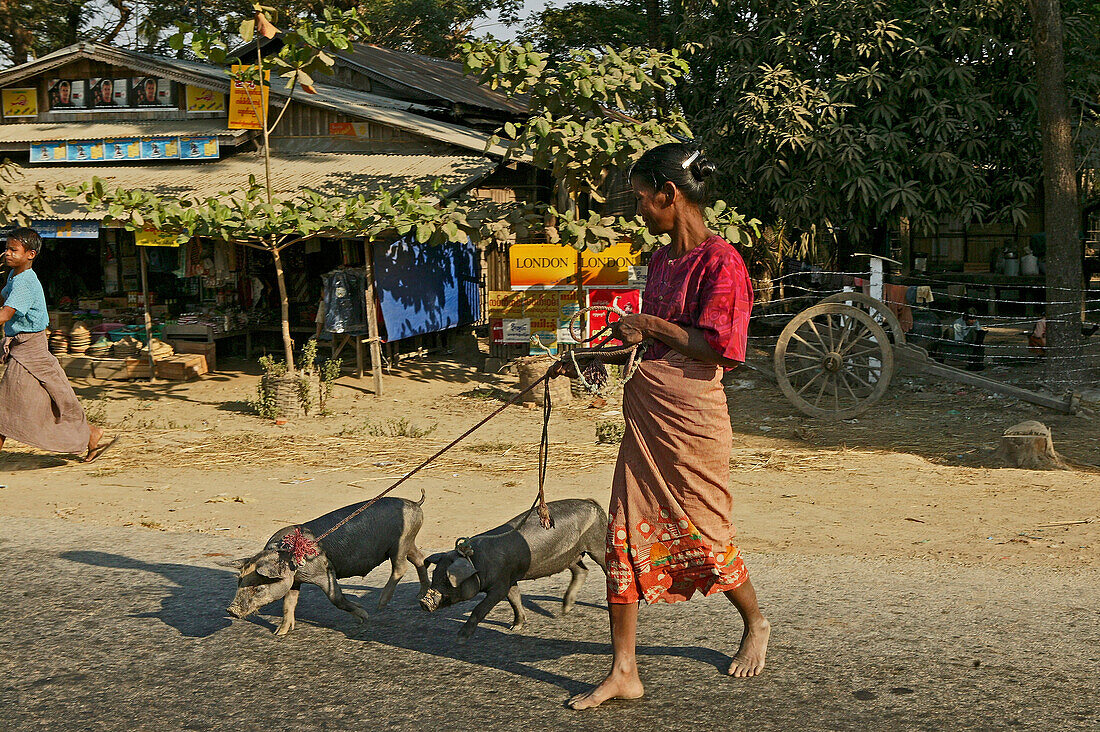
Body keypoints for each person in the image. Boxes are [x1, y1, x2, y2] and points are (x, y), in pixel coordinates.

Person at [559, 143, 769, 710]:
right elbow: (650, 343)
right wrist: (583, 359)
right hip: (646, 413)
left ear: (668, 195)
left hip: (693, 419)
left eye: (642, 198)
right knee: (622, 537)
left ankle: (755, 621)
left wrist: (650, 323)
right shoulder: (660, 262)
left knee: (707, 535)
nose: (639, 209)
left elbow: (721, 349)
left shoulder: (722, 262)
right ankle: (624, 670)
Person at [0, 228, 112, 462]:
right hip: (22, 348)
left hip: (30, 349)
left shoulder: (25, 282)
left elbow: (5, 314)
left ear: (31, 254)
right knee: (45, 400)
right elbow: (4, 299)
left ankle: (88, 433)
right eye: (6, 248)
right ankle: (90, 434)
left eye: (13, 250)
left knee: (5, 409)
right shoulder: (14, 276)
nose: (7, 254)